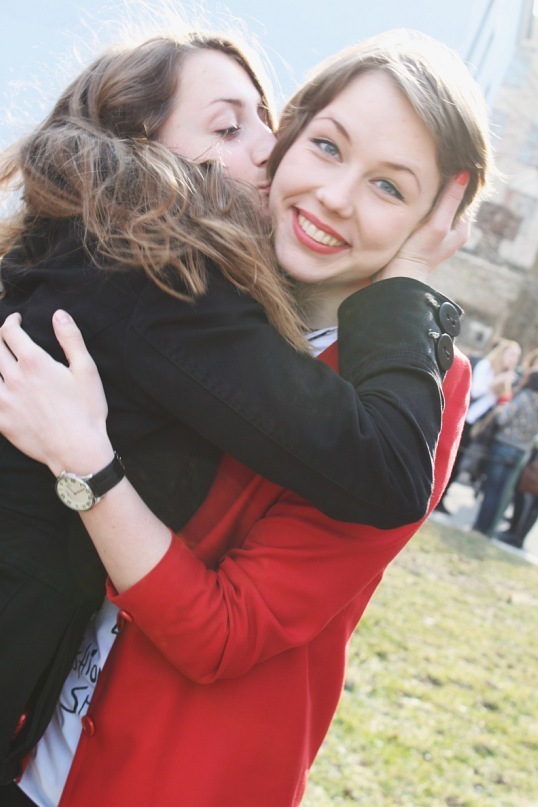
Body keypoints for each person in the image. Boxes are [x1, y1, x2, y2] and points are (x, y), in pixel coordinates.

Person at [0, 28, 492, 806]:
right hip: (37, 744)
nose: (336, 196)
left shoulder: (418, 393)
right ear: (286, 142)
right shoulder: (191, 276)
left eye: (390, 187)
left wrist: (86, 465)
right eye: (326, 147)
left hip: (166, 781)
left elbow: (225, 630)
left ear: (436, 223)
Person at [436, 338, 521, 511]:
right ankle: (438, 497)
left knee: (458, 462)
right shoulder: (487, 366)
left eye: (516, 357)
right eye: (512, 355)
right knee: (451, 457)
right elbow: (476, 390)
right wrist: (499, 379)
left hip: (478, 424)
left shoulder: (504, 374)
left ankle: (442, 496)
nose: (513, 360)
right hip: (465, 418)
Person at [473, 370, 538, 536]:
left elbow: (503, 418)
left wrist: (501, 410)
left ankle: (480, 526)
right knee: (504, 492)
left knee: (491, 488)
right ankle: (490, 528)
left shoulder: (524, 396)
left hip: (503, 445)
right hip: (521, 452)